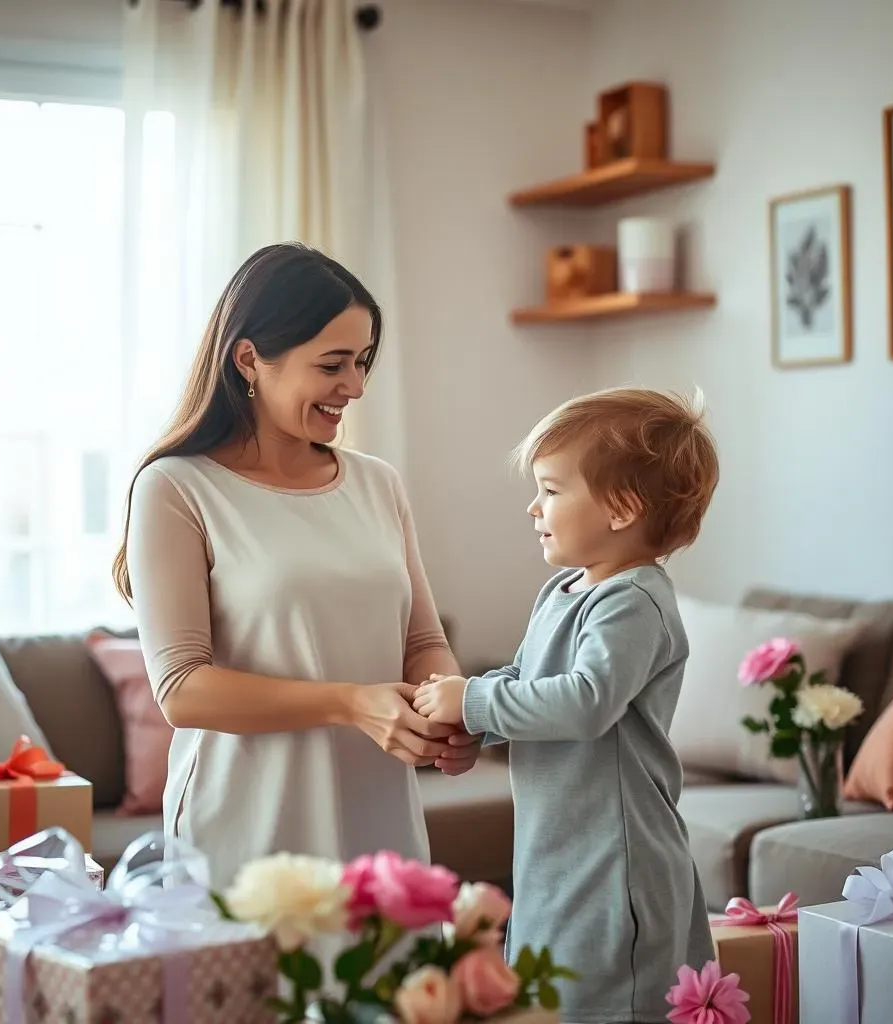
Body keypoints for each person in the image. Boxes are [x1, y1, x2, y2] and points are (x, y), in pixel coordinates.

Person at [112, 242, 478, 891]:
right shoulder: (176, 488)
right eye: (333, 364)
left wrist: (450, 709)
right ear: (249, 358)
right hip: (248, 828)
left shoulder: (376, 484)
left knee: (390, 989)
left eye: (362, 362)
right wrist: (350, 703)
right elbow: (182, 689)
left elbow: (422, 642)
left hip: (379, 819)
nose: (356, 387)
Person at [413, 387, 720, 1024]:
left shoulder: (634, 601)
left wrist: (472, 700)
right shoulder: (562, 590)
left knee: (605, 999)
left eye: (551, 490)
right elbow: (527, 681)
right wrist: (477, 729)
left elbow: (585, 702)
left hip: (616, 859)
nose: (533, 507)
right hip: (555, 849)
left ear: (621, 508)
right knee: (545, 994)